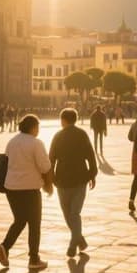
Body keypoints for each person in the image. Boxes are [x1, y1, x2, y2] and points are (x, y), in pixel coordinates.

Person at [0, 114, 52, 270]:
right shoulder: (36, 143)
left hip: (11, 188)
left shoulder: (12, 142)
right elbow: (45, 166)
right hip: (30, 189)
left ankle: (5, 246)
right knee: (35, 224)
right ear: (33, 127)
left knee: (20, 220)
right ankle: (34, 259)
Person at [49, 108, 97, 258]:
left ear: (63, 120)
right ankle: (80, 240)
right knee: (75, 214)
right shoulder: (82, 134)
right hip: (80, 178)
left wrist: (51, 178)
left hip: (62, 180)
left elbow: (51, 159)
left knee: (68, 214)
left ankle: (72, 245)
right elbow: (90, 155)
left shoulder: (57, 136)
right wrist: (92, 174)